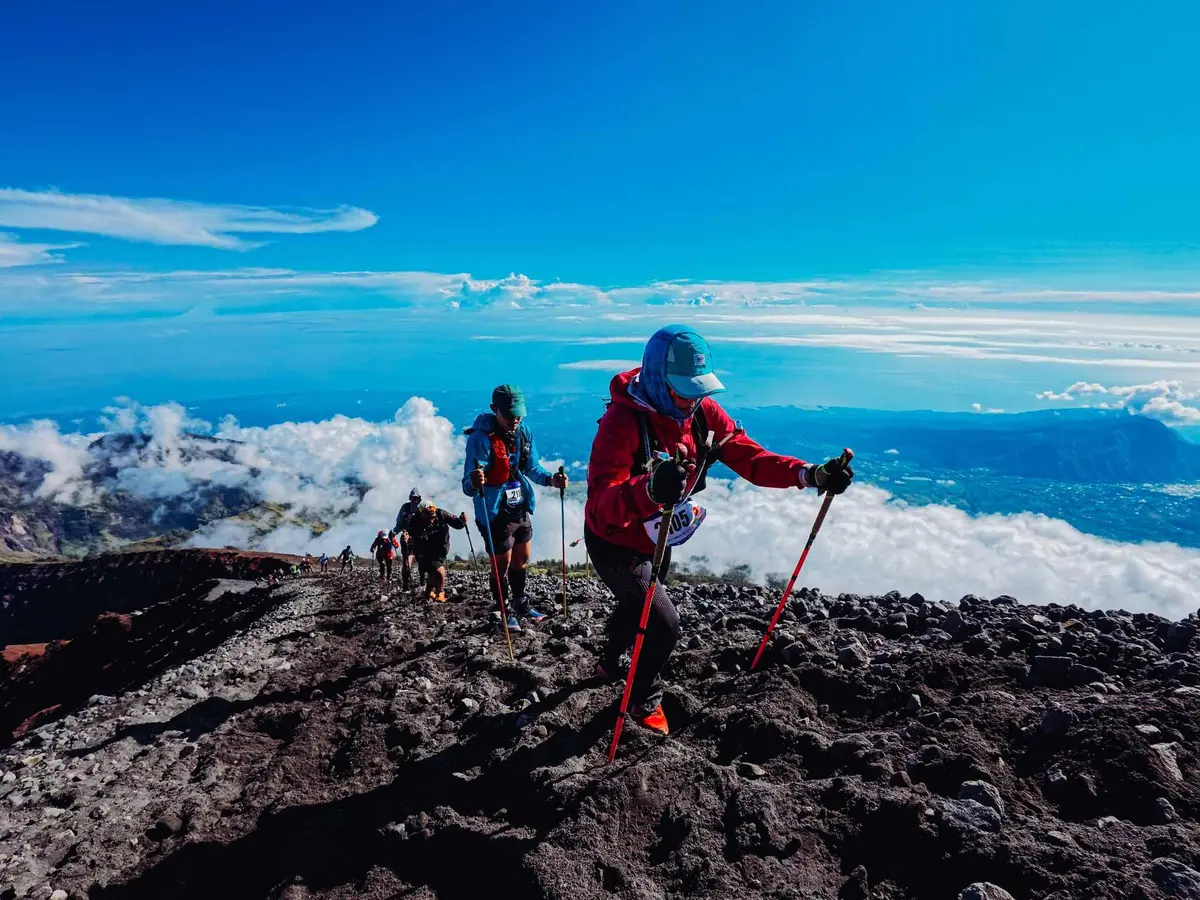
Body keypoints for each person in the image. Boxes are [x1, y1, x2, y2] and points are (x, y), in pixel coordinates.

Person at [584, 325, 854, 735]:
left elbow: (751, 458)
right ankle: (643, 698)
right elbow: (602, 504)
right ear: (657, 381)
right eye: (683, 391)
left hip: (660, 535)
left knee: (636, 604)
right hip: (614, 543)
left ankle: (607, 663)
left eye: (699, 390)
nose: (692, 400)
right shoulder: (621, 424)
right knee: (662, 624)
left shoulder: (700, 414)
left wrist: (809, 474)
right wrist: (649, 488)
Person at [462, 384, 568, 632]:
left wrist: (551, 479)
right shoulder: (480, 440)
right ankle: (503, 610)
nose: (515, 419)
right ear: (494, 410)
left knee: (522, 558)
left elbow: (532, 466)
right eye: (510, 415)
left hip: (519, 505)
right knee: (502, 564)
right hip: (494, 512)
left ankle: (521, 603)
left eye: (519, 414)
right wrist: (474, 481)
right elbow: (468, 482)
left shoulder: (523, 432)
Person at [408, 503, 468, 601]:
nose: (431, 518)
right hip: (424, 552)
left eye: (433, 515)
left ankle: (427, 593)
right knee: (440, 572)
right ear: (421, 513)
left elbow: (457, 524)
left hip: (441, 550)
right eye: (428, 515)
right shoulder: (415, 522)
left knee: (433, 574)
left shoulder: (441, 514)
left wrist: (462, 521)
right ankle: (440, 592)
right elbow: (418, 538)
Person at [394, 488, 424, 591]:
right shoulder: (405, 507)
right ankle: (406, 585)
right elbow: (399, 523)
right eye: (413, 498)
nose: (415, 500)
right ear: (410, 498)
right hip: (407, 539)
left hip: (421, 538)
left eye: (416, 498)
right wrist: (394, 532)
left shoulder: (423, 508)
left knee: (422, 562)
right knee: (406, 562)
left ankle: (422, 581)